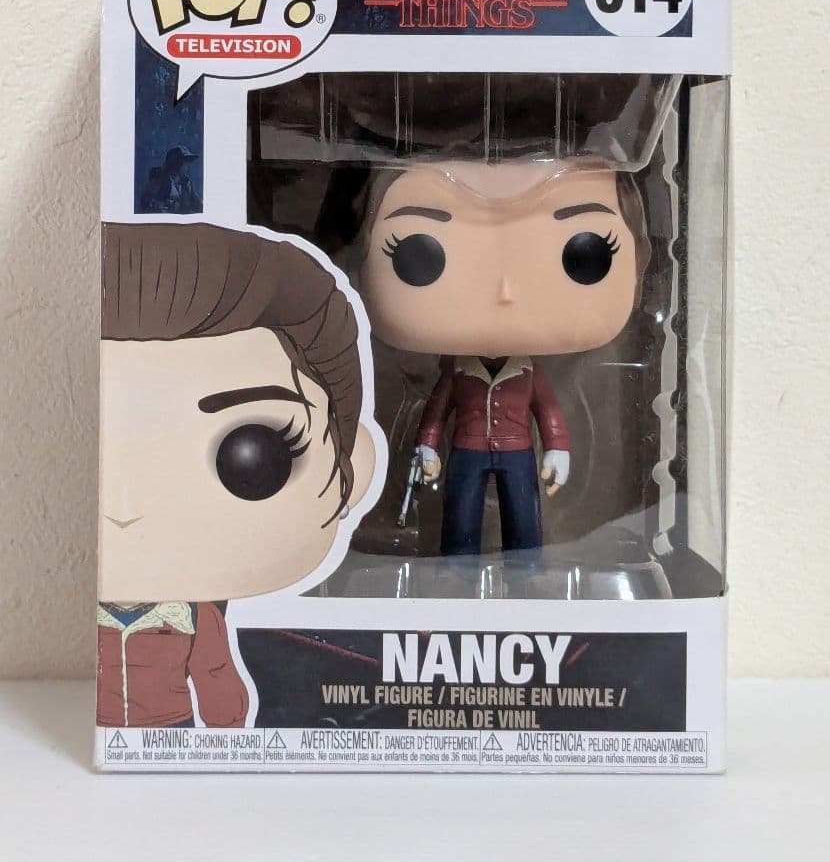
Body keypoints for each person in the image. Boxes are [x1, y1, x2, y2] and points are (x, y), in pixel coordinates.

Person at [97, 222, 376, 727]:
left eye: (252, 459)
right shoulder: (63, 615)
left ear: (350, 464)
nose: (126, 509)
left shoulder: (194, 617)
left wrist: (227, 734)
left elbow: (216, 674)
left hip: (174, 735)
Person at [360, 158, 650, 555]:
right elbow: (436, 411)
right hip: (467, 449)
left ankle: (525, 563)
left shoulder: (526, 373)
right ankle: (458, 562)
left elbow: (548, 412)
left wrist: (558, 449)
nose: (505, 292)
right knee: (461, 512)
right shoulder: (458, 372)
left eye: (586, 254)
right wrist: (426, 445)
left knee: (523, 514)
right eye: (418, 253)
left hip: (517, 451)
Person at [155, 145, 203, 213]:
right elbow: (157, 207)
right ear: (176, 164)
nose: (188, 168)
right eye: (185, 164)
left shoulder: (187, 183)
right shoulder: (161, 182)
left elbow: (197, 203)